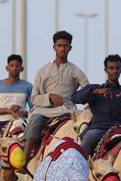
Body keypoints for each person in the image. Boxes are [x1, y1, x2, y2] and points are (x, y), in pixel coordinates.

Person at [22, 30, 88, 160]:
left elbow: (87, 89)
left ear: (70, 48)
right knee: (35, 121)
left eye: (65, 46)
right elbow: (34, 97)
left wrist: (78, 98)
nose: (62, 48)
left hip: (68, 110)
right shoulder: (43, 71)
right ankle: (25, 157)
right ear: (54, 47)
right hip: (44, 111)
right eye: (59, 45)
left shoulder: (75, 70)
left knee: (85, 126)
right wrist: (49, 97)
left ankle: (88, 159)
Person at [72, 54, 121, 155]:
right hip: (99, 129)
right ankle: (81, 168)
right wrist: (95, 92)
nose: (114, 71)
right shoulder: (96, 88)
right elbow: (75, 98)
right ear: (106, 70)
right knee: (88, 139)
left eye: (117, 68)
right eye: (111, 68)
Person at [0, 54, 34, 144]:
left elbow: (34, 109)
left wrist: (21, 113)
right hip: (0, 121)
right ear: (7, 68)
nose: (14, 68)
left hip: (20, 120)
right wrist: (8, 110)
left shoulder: (28, 86)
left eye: (17, 66)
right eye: (12, 66)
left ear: (21, 69)